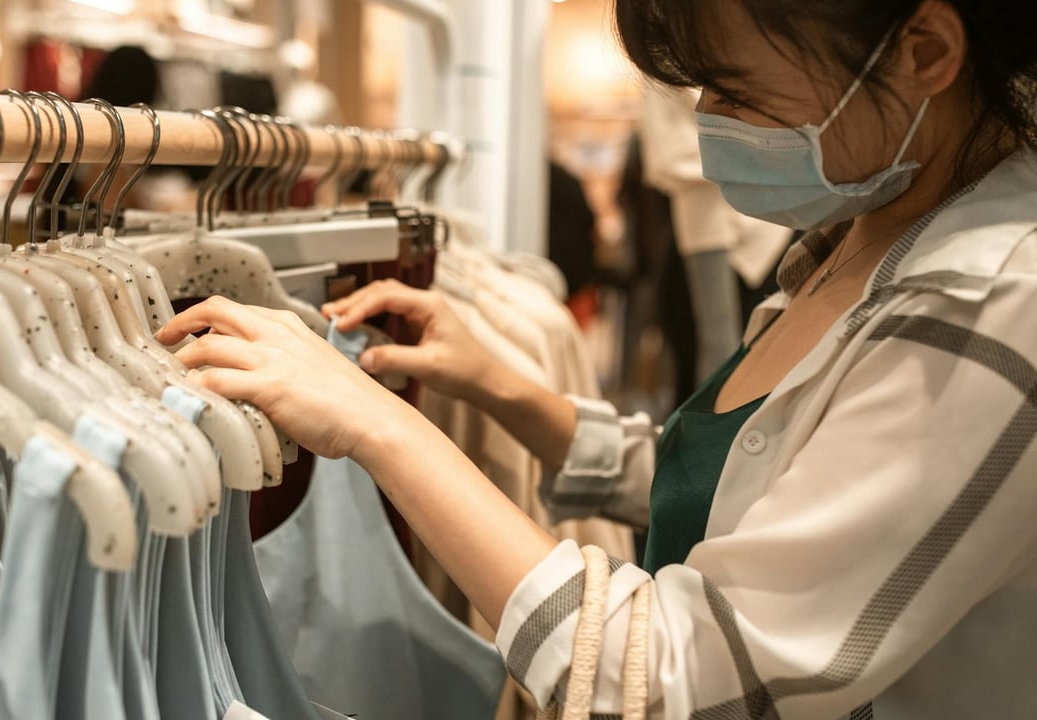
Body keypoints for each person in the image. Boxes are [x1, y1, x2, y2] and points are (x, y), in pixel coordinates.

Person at [157, 1, 1037, 716]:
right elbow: (751, 498)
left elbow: (685, 676)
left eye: (734, 90)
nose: (707, 123)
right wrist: (500, 387)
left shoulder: (990, 303)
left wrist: (380, 427)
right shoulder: (853, 237)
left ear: (924, 49)